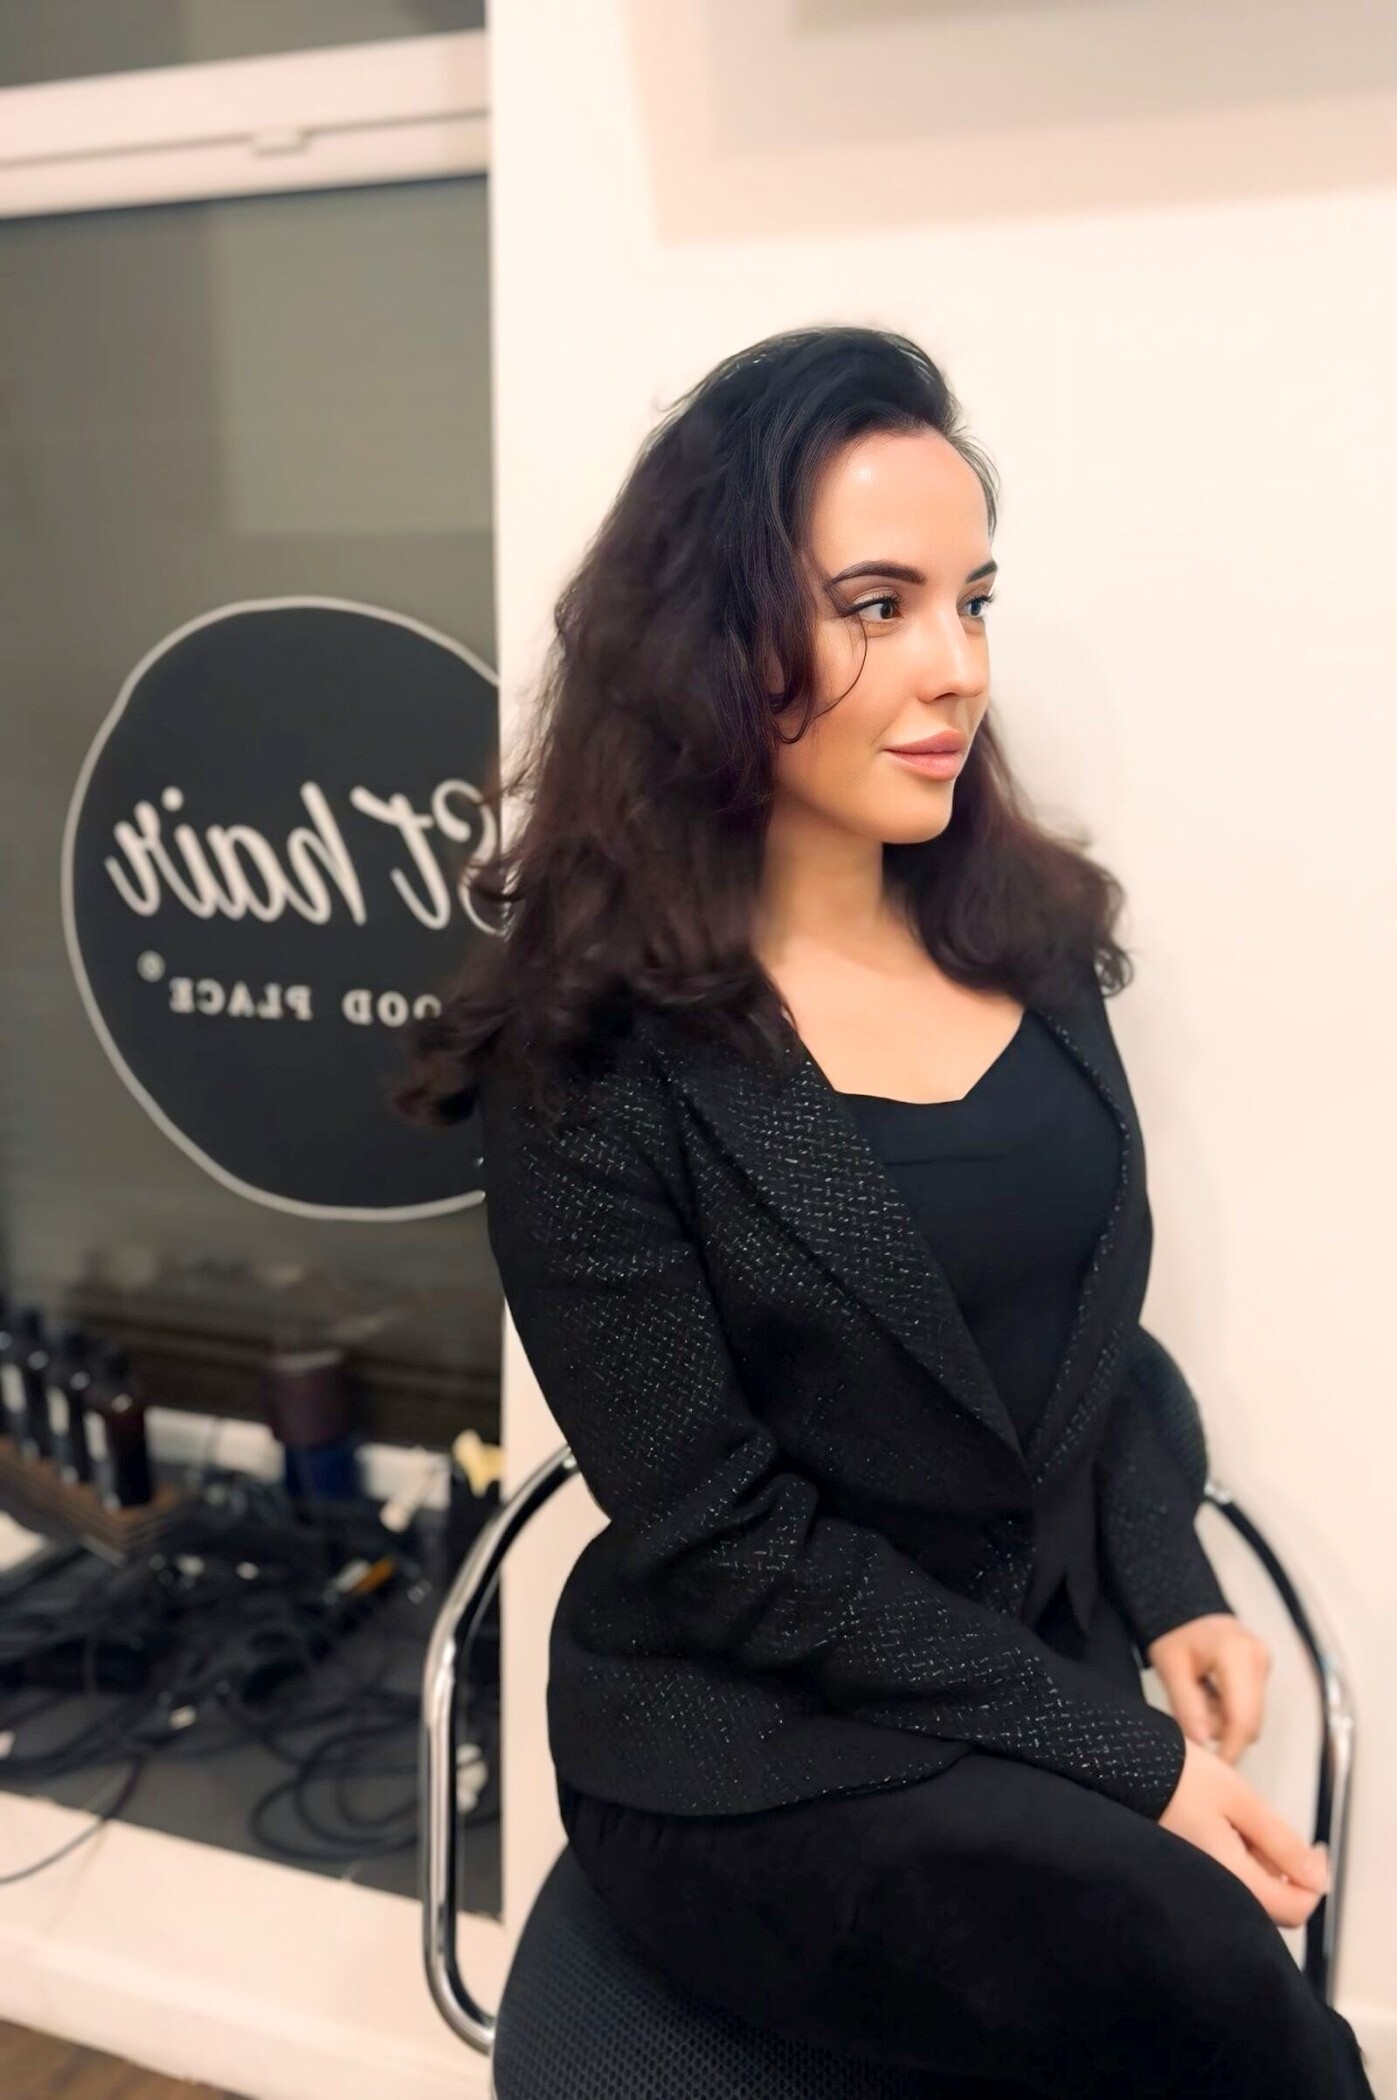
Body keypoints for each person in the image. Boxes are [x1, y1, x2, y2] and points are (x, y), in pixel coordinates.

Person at [392, 326, 1374, 2097]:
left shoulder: (1024, 943)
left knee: (1202, 1973)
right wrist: (1121, 1756)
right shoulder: (590, 1060)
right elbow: (720, 1540)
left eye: (972, 601)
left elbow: (1073, 1341)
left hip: (1025, 1658)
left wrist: (1165, 1584)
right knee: (1209, 1973)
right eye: (875, 606)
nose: (955, 667)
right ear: (707, 643)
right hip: (759, 1736)